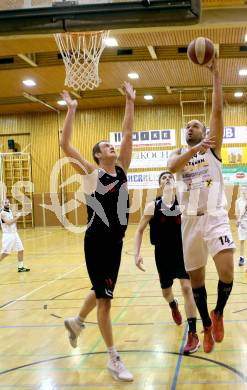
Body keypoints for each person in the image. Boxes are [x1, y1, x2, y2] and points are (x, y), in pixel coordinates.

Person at [60, 81, 135, 382]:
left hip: (116, 243)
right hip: (97, 243)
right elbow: (66, 145)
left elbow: (128, 133)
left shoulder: (122, 169)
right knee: (105, 300)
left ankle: (77, 322)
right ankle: (114, 359)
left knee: (102, 290)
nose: (111, 146)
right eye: (106, 146)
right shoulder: (93, 175)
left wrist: (130, 100)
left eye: (111, 144)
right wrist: (72, 110)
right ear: (97, 156)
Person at [167, 56, 235, 353]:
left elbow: (217, 110)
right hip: (190, 221)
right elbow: (171, 167)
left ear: (205, 131)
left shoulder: (213, 148)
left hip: (215, 215)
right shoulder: (181, 153)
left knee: (228, 272)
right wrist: (194, 147)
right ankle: (206, 325)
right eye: (188, 126)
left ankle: (219, 313)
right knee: (196, 282)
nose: (190, 127)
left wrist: (216, 74)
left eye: (195, 125)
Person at [134, 171, 200, 355]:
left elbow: (197, 224)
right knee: (166, 292)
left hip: (182, 252)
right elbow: (139, 230)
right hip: (162, 254)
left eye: (170, 176)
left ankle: (193, 333)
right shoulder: (152, 206)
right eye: (164, 178)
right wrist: (136, 254)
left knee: (187, 288)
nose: (168, 178)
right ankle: (173, 305)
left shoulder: (184, 204)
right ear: (160, 185)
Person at [0, 198, 30, 272]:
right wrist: (17, 217)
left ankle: (20, 267)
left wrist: (19, 213)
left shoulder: (9, 211)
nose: (7, 203)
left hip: (15, 234)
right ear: (2, 204)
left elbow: (14, 216)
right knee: (5, 253)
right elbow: (9, 222)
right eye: (5, 203)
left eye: (8, 202)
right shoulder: (2, 213)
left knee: (21, 249)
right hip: (8, 236)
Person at [235, 186, 247, 266]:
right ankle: (241, 257)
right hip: (242, 223)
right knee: (242, 240)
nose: (243, 191)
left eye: (245, 189)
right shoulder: (238, 201)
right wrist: (238, 220)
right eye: (242, 190)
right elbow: (236, 211)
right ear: (240, 191)